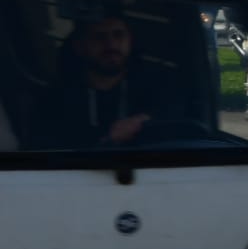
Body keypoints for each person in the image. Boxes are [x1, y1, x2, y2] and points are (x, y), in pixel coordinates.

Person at [33, 10, 172, 149]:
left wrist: (144, 121)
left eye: (118, 35)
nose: (111, 44)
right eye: (98, 37)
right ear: (79, 46)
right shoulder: (54, 100)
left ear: (130, 41)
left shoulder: (157, 88)